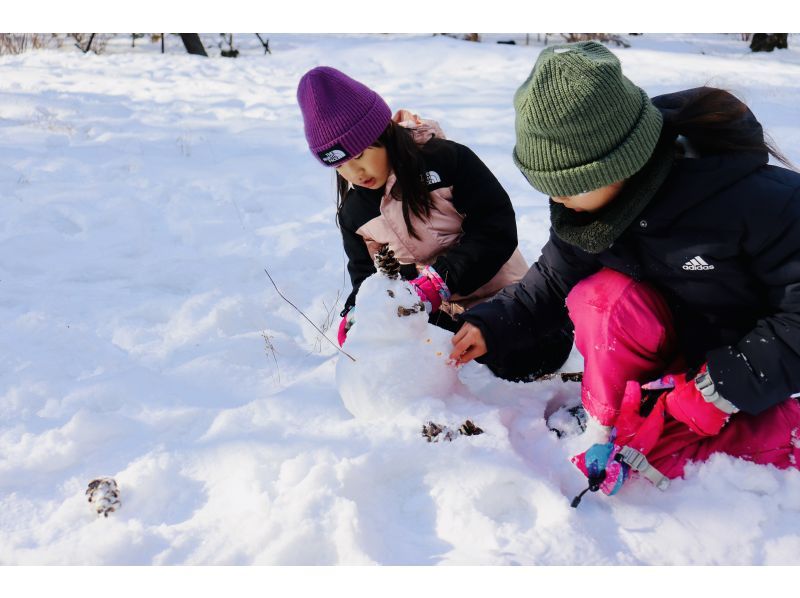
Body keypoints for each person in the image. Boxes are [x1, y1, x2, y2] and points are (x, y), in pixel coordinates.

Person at [449, 41, 800, 495]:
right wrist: (489, 325)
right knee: (600, 300)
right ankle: (610, 419)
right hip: (672, 360)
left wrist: (720, 385)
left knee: (688, 445)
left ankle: (771, 431)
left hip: (751, 365)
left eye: (567, 186)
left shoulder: (761, 203)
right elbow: (555, 280)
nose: (556, 199)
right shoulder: (593, 216)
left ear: (618, 165)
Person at [296, 66, 572, 380]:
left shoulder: (446, 161)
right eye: (340, 165)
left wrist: (440, 281)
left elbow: (496, 229)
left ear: (383, 133)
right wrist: (358, 313)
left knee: (525, 358)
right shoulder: (355, 214)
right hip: (434, 318)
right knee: (403, 369)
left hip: (503, 297)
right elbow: (368, 278)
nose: (355, 172)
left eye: (359, 155)